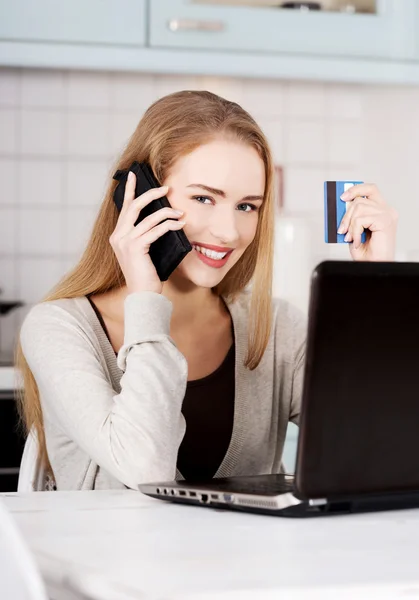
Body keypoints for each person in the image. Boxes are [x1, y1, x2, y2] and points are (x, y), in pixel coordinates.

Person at [15, 90, 398, 491]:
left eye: (247, 206)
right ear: (140, 197)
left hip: (256, 556)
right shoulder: (60, 328)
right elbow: (146, 472)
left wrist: (376, 291)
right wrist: (146, 298)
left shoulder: (277, 329)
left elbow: (378, 443)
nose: (229, 232)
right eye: (203, 198)